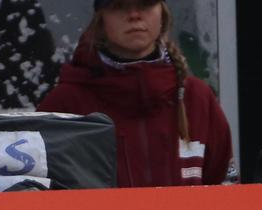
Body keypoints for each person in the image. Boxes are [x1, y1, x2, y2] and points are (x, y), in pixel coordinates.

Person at [37, 0, 234, 188]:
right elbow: (36, 194)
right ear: (101, 19)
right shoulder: (65, 106)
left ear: (163, 14)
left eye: (146, 3)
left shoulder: (198, 98)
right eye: (119, 5)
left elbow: (226, 193)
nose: (134, 15)